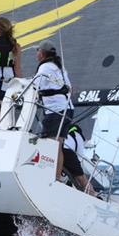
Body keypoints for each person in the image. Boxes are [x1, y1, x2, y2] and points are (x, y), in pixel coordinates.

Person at [34, 39, 73, 180]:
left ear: (42, 53)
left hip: (55, 111)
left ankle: (51, 177)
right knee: (57, 145)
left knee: (50, 145)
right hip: (67, 109)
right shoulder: (60, 68)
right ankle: (56, 177)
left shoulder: (44, 68)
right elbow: (69, 88)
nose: (36, 53)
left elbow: (34, 87)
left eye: (37, 50)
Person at [62, 123, 96, 195]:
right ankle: (93, 195)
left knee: (79, 178)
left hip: (64, 151)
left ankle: (93, 194)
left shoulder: (65, 132)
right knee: (81, 178)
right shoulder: (78, 136)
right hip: (68, 152)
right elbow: (79, 156)